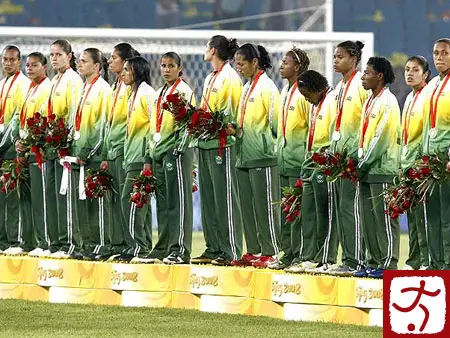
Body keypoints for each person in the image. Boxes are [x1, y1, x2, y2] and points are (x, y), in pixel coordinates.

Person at [191, 35, 243, 266]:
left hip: (222, 146)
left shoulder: (230, 78)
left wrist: (213, 126)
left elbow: (229, 116)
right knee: (209, 200)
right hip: (205, 144)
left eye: (206, 47)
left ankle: (230, 249)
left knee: (225, 200)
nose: (205, 50)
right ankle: (213, 248)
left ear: (213, 50)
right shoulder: (210, 77)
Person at [142, 52, 195, 264]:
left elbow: (189, 125)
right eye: (163, 66)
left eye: (171, 66)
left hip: (176, 154)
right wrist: (149, 155)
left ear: (179, 68)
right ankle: (163, 246)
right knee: (163, 204)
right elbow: (151, 125)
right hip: (159, 154)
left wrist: (177, 151)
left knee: (178, 203)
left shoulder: (184, 91)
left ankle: (181, 249)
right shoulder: (158, 93)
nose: (166, 69)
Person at [231, 43, 281, 268]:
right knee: (248, 207)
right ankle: (253, 250)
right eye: (236, 63)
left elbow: (276, 125)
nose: (238, 67)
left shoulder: (267, 88)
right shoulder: (246, 87)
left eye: (242, 63)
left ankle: (271, 251)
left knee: (265, 206)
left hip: (262, 156)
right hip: (242, 155)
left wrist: (267, 146)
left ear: (255, 62)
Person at [354, 56, 401, 278]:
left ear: (379, 76)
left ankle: (389, 264)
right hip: (367, 170)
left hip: (382, 170)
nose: (363, 77)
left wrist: (360, 164)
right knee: (369, 220)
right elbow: (363, 137)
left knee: (383, 219)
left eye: (367, 73)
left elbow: (380, 139)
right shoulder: (369, 101)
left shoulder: (388, 102)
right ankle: (373, 261)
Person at [286, 70, 336, 274]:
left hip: (323, 163)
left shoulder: (331, 101)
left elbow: (335, 132)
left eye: (307, 95)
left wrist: (327, 157)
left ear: (317, 88)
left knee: (322, 213)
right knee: (307, 212)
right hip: (310, 162)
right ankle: (308, 256)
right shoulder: (315, 105)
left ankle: (325, 256)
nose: (306, 100)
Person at [327, 41, 368, 276]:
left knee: (351, 210)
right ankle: (348, 258)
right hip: (339, 158)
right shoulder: (340, 86)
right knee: (342, 210)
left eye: (340, 57)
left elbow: (365, 122)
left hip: (353, 159)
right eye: (334, 57)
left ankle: (357, 260)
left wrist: (357, 153)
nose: (335, 61)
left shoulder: (361, 86)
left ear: (353, 59)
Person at [268, 47, 310, 270]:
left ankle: (299, 255)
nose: (281, 65)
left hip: (298, 162)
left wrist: (305, 158)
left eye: (286, 62)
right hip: (283, 160)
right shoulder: (285, 91)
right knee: (286, 209)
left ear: (298, 67)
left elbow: (311, 128)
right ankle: (287, 253)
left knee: (297, 210)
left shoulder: (305, 94)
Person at [71, 48, 112, 260]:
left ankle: (101, 246)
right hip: (80, 155)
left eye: (85, 61)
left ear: (97, 66)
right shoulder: (83, 87)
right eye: (79, 60)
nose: (80, 63)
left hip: (94, 156)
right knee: (84, 203)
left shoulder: (103, 90)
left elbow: (102, 126)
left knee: (98, 204)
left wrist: (89, 151)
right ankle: (87, 245)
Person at [116, 56, 155, 261]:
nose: (122, 73)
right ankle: (137, 246)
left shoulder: (148, 94)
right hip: (131, 157)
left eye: (127, 70)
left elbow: (154, 126)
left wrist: (148, 157)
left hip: (141, 158)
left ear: (137, 71)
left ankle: (139, 247)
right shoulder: (132, 94)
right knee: (133, 202)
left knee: (130, 202)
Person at [47, 39, 83, 259]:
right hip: (52, 144)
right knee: (56, 195)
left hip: (65, 146)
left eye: (58, 54)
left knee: (67, 195)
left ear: (69, 56)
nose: (54, 58)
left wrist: (66, 139)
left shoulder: (73, 80)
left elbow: (73, 113)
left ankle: (71, 243)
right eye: (52, 55)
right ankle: (59, 241)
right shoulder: (55, 80)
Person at [103, 43, 139, 259]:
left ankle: (132, 244)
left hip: (125, 151)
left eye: (113, 57)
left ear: (125, 62)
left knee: (129, 201)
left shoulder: (130, 89)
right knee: (114, 201)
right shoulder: (115, 87)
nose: (110, 61)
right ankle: (118, 245)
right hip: (113, 150)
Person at [13, 52, 52, 257]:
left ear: (44, 67)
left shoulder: (46, 88)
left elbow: (43, 122)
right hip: (26, 149)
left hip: (39, 151)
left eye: (34, 65)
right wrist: (20, 143)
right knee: (26, 197)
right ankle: (29, 241)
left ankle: (45, 242)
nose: (29, 69)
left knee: (40, 198)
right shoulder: (31, 88)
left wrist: (29, 143)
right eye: (28, 65)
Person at [0, 45, 32, 255]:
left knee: (15, 196)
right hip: (2, 148)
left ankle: (17, 240)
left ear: (19, 61)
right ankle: (3, 240)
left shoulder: (24, 84)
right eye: (5, 60)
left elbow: (18, 119)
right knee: (3, 196)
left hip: (14, 148)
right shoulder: (2, 84)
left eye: (12, 60)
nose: (8, 63)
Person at [422, 38, 450, 270]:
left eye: (445, 53)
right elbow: (426, 125)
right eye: (436, 53)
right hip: (431, 160)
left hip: (447, 161)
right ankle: (435, 263)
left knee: (448, 216)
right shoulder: (431, 85)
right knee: (432, 215)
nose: (439, 57)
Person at [401, 56, 430, 270]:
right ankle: (415, 260)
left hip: (422, 166)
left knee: (425, 216)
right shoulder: (410, 97)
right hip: (408, 164)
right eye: (407, 69)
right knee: (412, 215)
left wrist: (422, 161)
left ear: (426, 74)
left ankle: (428, 260)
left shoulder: (428, 97)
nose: (410, 73)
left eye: (415, 70)